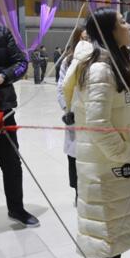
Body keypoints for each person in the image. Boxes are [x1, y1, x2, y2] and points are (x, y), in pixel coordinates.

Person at [62, 8, 130, 258]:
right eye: (122, 22)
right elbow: (98, 123)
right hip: (107, 167)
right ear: (110, 30)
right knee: (106, 236)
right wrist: (123, 152)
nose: (128, 26)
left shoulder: (113, 63)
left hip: (114, 166)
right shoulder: (100, 69)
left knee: (112, 235)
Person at [0, 20, 39, 227]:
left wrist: (3, 76)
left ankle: (16, 208)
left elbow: (21, 63)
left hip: (2, 110)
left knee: (11, 163)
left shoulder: (1, 32)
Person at [57, 27, 88, 205]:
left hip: (94, 119)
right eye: (83, 39)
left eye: (89, 39)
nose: (86, 43)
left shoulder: (100, 59)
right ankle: (78, 192)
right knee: (75, 155)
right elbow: (61, 87)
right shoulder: (68, 61)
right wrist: (66, 110)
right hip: (74, 117)